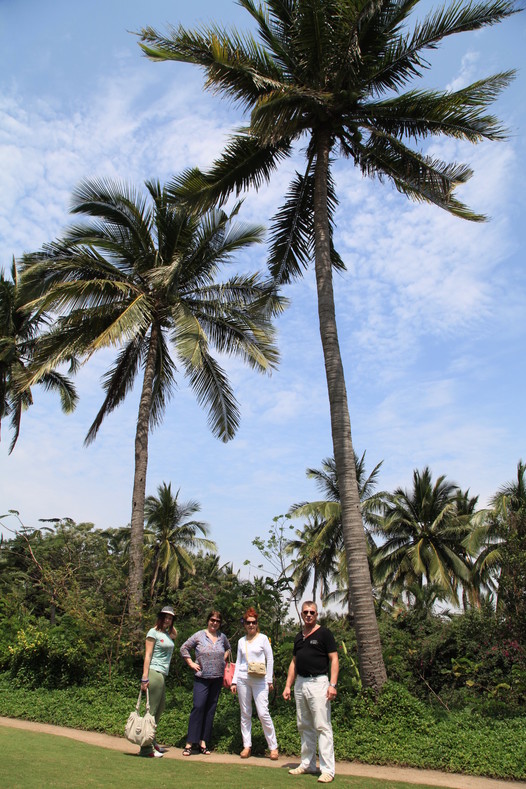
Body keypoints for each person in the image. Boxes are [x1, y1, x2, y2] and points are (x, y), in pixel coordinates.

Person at [283, 601, 339, 783]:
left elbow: (334, 659)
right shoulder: (299, 637)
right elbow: (294, 662)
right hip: (301, 683)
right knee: (304, 725)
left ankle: (327, 770)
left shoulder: (324, 633)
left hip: (319, 683)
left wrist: (333, 685)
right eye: (306, 612)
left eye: (312, 612)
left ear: (316, 614)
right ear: (301, 613)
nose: (308, 615)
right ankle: (307, 764)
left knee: (322, 726)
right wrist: (287, 686)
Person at [180, 609, 231, 755]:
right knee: (198, 707)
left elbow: (228, 648)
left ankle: (203, 741)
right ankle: (190, 742)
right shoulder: (199, 635)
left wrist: (224, 658)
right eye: (212, 620)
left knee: (210, 710)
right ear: (208, 621)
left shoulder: (222, 637)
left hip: (217, 678)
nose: (214, 623)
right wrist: (191, 663)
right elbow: (183, 648)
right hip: (202, 677)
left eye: (217, 621)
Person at [231, 607, 279, 760]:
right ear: (244, 624)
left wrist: (270, 680)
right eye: (248, 622)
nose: (251, 625)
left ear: (257, 623)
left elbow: (269, 659)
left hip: (260, 679)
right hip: (243, 679)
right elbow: (238, 662)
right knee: (245, 713)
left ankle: (273, 747)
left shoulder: (263, 639)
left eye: (253, 622)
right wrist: (233, 681)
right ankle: (247, 746)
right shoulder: (241, 641)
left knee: (263, 713)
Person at [139, 604, 177, 758]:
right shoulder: (152, 632)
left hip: (162, 674)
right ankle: (145, 748)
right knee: (152, 710)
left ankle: (151, 739)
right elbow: (147, 655)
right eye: (165, 617)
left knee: (160, 709)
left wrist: (168, 626)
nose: (167, 620)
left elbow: (175, 634)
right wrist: (144, 677)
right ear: (160, 617)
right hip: (154, 672)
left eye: (170, 618)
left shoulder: (167, 634)